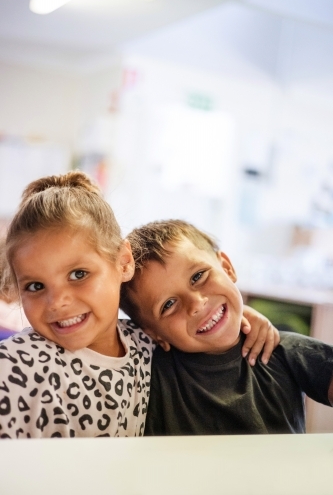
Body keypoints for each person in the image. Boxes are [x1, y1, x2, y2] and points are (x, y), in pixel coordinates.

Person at [0, 171, 277, 439]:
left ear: (123, 262)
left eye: (78, 274)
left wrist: (244, 317)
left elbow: (185, 321)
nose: (57, 302)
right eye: (35, 286)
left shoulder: (145, 341)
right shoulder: (13, 366)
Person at [120, 219, 333, 435]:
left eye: (198, 276)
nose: (196, 304)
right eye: (168, 304)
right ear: (155, 334)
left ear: (227, 268)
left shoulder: (282, 350)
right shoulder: (147, 372)